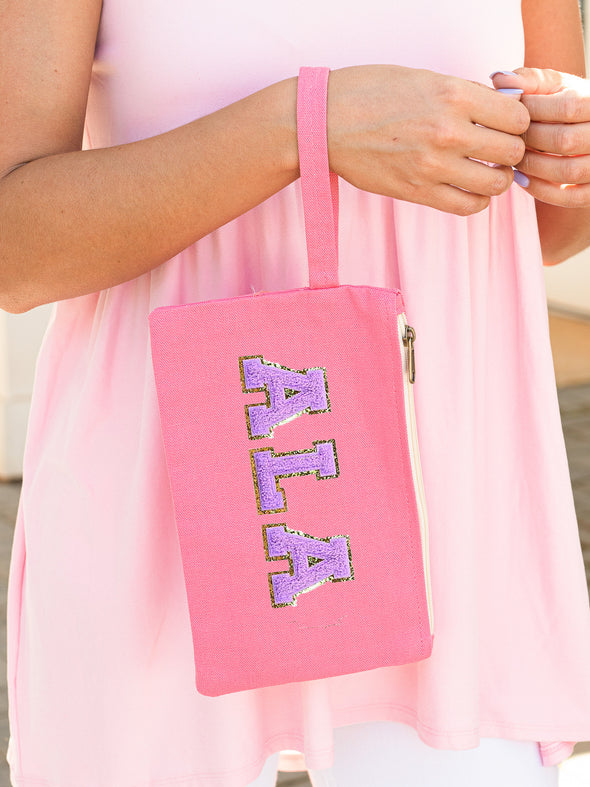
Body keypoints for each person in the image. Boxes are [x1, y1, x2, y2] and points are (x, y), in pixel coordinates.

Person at [2, 0, 590, 785]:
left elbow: (547, 228)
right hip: (168, 511)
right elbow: (16, 250)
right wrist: (303, 126)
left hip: (445, 526)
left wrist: (568, 154)